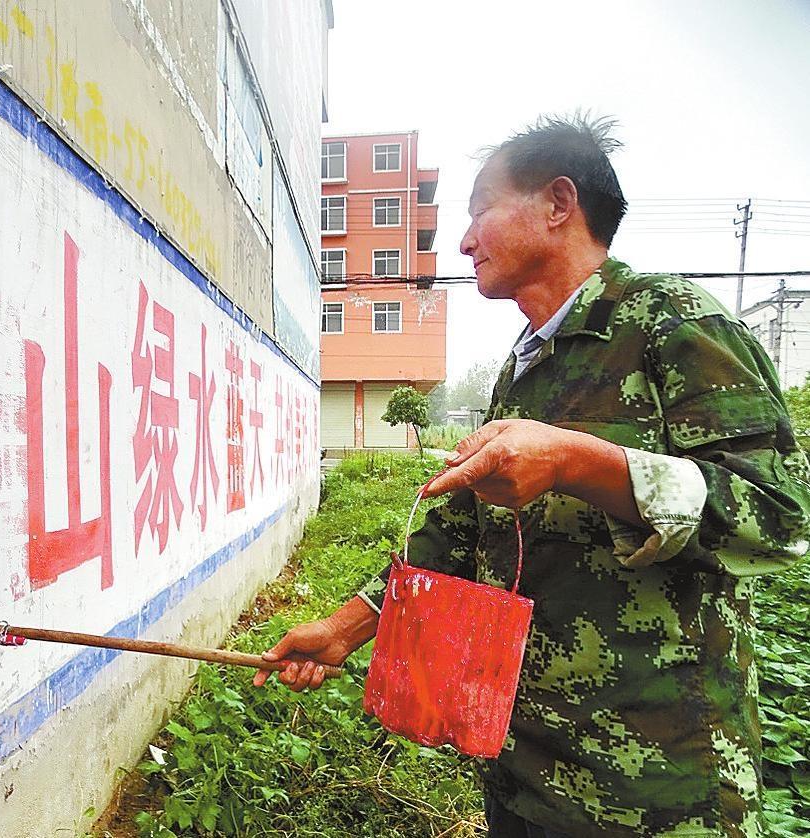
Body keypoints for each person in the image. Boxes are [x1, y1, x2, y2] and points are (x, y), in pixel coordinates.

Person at [256, 115, 810, 837]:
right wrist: (342, 629)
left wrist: (578, 463)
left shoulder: (671, 325)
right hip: (523, 766)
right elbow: (455, 535)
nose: (462, 241)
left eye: (480, 209)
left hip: (658, 785)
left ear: (557, 204)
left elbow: (778, 520)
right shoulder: (524, 370)